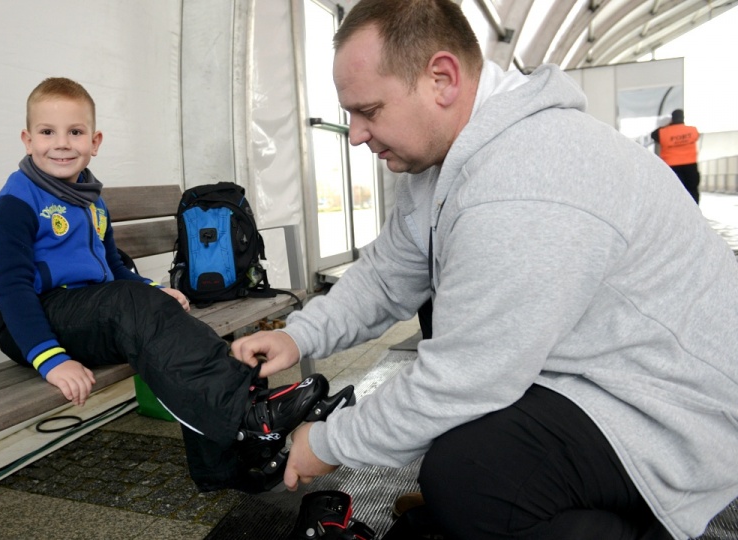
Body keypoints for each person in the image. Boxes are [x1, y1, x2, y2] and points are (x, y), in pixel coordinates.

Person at [231, 1, 738, 538]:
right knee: (462, 449)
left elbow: (464, 378)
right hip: (602, 372)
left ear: (442, 79)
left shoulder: (526, 178)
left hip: (674, 412)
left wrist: (329, 443)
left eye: (370, 110)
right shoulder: (447, 161)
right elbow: (386, 276)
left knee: (469, 475)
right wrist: (297, 334)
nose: (355, 134)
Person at [0, 77, 352, 493]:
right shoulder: (16, 203)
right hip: (31, 322)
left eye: (75, 132)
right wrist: (51, 359)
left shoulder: (89, 198)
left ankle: (239, 461)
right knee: (135, 307)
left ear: (95, 141)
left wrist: (150, 290)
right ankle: (249, 413)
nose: (62, 143)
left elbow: (113, 267)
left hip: (90, 311)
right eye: (48, 132)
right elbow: (13, 290)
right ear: (27, 140)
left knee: (179, 334)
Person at [651, 109, 701, 203]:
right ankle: (694, 212)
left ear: (672, 119)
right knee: (692, 189)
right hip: (690, 165)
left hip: (672, 166)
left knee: (675, 191)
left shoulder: (664, 132)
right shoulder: (692, 130)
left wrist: (667, 125)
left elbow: (653, 135)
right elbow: (697, 136)